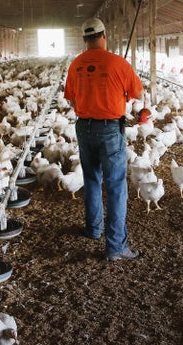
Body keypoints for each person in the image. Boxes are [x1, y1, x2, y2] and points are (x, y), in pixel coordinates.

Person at [63, 17, 144, 261]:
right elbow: (137, 93)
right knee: (116, 186)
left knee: (90, 179)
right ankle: (116, 246)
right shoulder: (119, 63)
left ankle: (93, 228)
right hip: (110, 128)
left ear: (85, 39)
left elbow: (71, 98)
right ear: (104, 35)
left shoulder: (76, 64)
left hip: (84, 128)